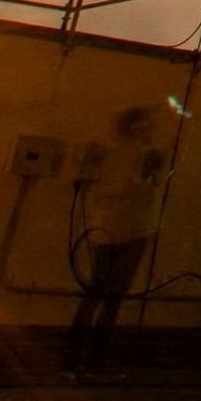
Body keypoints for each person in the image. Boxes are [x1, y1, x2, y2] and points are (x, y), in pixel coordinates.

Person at [67, 106, 166, 372]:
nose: (144, 130)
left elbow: (147, 188)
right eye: (140, 124)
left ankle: (84, 357)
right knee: (105, 294)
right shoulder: (117, 154)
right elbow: (128, 188)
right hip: (120, 227)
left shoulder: (142, 155)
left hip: (123, 227)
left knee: (104, 295)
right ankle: (85, 358)